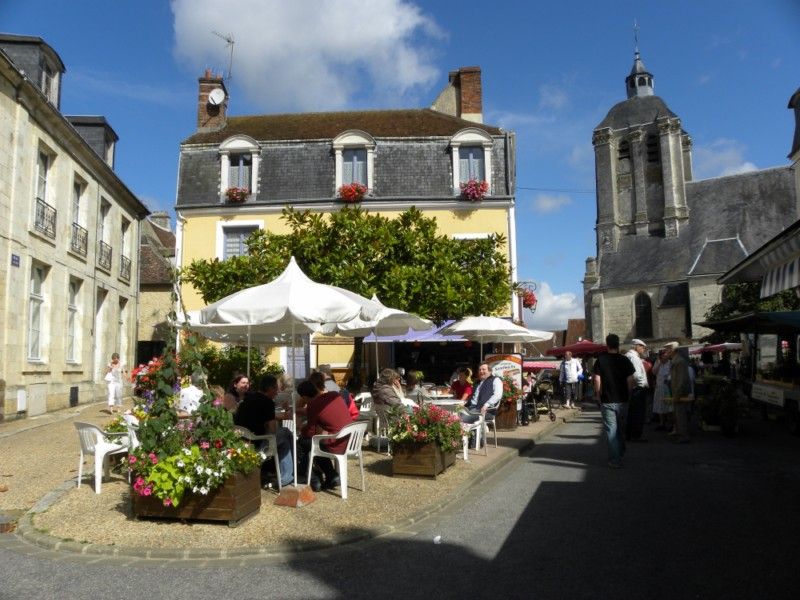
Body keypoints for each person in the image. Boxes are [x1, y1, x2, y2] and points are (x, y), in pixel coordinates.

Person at [234, 375, 294, 488]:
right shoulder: (267, 402)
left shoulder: (249, 398)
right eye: (276, 388)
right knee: (286, 432)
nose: (277, 392)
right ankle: (289, 475)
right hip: (257, 444)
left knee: (284, 441)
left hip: (242, 441)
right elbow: (272, 430)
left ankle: (285, 476)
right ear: (270, 388)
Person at [296, 378, 352, 492]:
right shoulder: (334, 395)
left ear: (305, 397)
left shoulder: (313, 405)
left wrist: (300, 429)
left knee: (304, 443)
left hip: (337, 444)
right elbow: (321, 411)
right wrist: (297, 410)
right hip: (351, 440)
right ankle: (330, 475)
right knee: (314, 443)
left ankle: (314, 479)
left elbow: (310, 432)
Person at [593, 334, 635, 468]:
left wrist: (598, 395)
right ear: (618, 345)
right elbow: (630, 380)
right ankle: (620, 451)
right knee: (621, 430)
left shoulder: (600, 360)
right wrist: (628, 393)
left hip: (607, 400)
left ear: (607, 345)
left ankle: (615, 459)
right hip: (623, 399)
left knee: (611, 431)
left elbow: (597, 380)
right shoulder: (625, 360)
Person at [664, 341, 692, 443]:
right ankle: (680, 434)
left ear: (672, 349)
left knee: (681, 415)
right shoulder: (676, 360)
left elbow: (681, 380)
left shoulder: (679, 361)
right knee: (678, 415)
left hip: (679, 393)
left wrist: (677, 394)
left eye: (667, 349)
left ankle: (684, 436)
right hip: (677, 392)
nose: (665, 351)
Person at [461, 363, 503, 427]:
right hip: (471, 408)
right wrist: (464, 403)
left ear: (490, 371)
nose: (481, 371)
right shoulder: (477, 382)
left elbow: (497, 395)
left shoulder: (495, 380)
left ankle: (468, 435)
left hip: (486, 411)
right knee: (453, 416)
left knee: (461, 419)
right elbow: (473, 398)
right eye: (480, 370)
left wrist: (486, 405)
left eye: (484, 369)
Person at [625, 339, 649, 441]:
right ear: (636, 346)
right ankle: (636, 435)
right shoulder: (634, 357)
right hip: (638, 388)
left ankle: (630, 434)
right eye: (642, 346)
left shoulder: (630, 356)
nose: (644, 349)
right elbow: (636, 375)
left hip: (635, 388)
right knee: (638, 413)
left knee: (632, 413)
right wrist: (641, 384)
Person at [651, 349, 673, 431]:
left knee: (669, 406)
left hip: (667, 387)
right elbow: (654, 372)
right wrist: (659, 364)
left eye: (666, 356)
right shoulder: (657, 363)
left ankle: (670, 424)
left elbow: (672, 374)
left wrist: (668, 378)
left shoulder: (670, 363)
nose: (665, 357)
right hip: (659, 387)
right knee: (660, 406)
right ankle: (661, 423)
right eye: (663, 356)